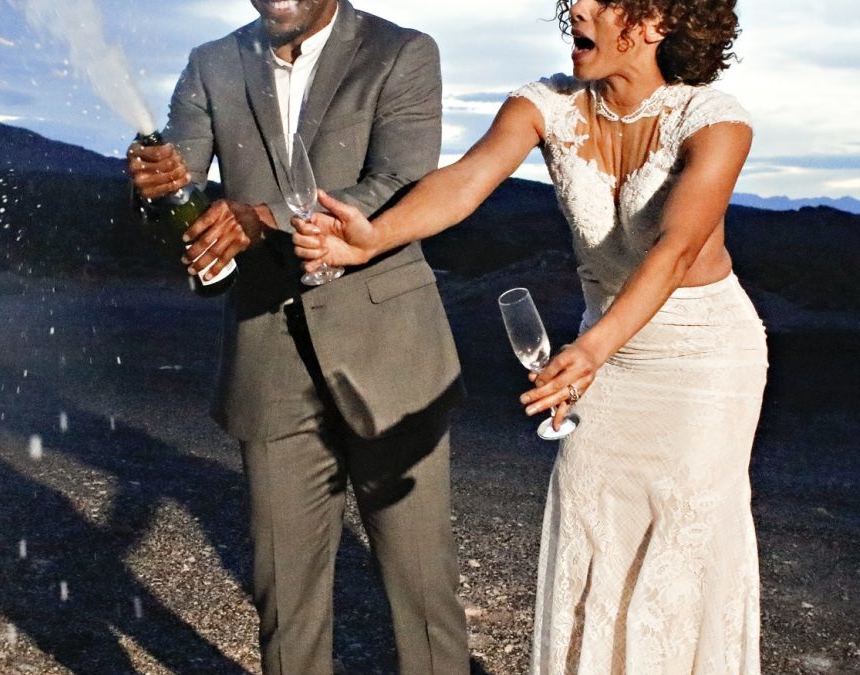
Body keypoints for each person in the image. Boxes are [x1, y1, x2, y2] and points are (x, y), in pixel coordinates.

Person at [292, 0, 767, 672]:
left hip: (702, 361)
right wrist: (373, 238)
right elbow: (464, 182)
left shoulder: (715, 121)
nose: (577, 6)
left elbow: (678, 247)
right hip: (599, 354)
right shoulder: (546, 103)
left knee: (680, 553)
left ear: (658, 21)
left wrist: (594, 348)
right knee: (590, 527)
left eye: (603, 0)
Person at [126, 1, 470, 674]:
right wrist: (158, 190)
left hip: (391, 356)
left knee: (422, 590)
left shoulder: (403, 52)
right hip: (268, 356)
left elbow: (399, 183)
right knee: (284, 597)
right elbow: (187, 190)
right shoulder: (210, 65)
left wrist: (263, 217)